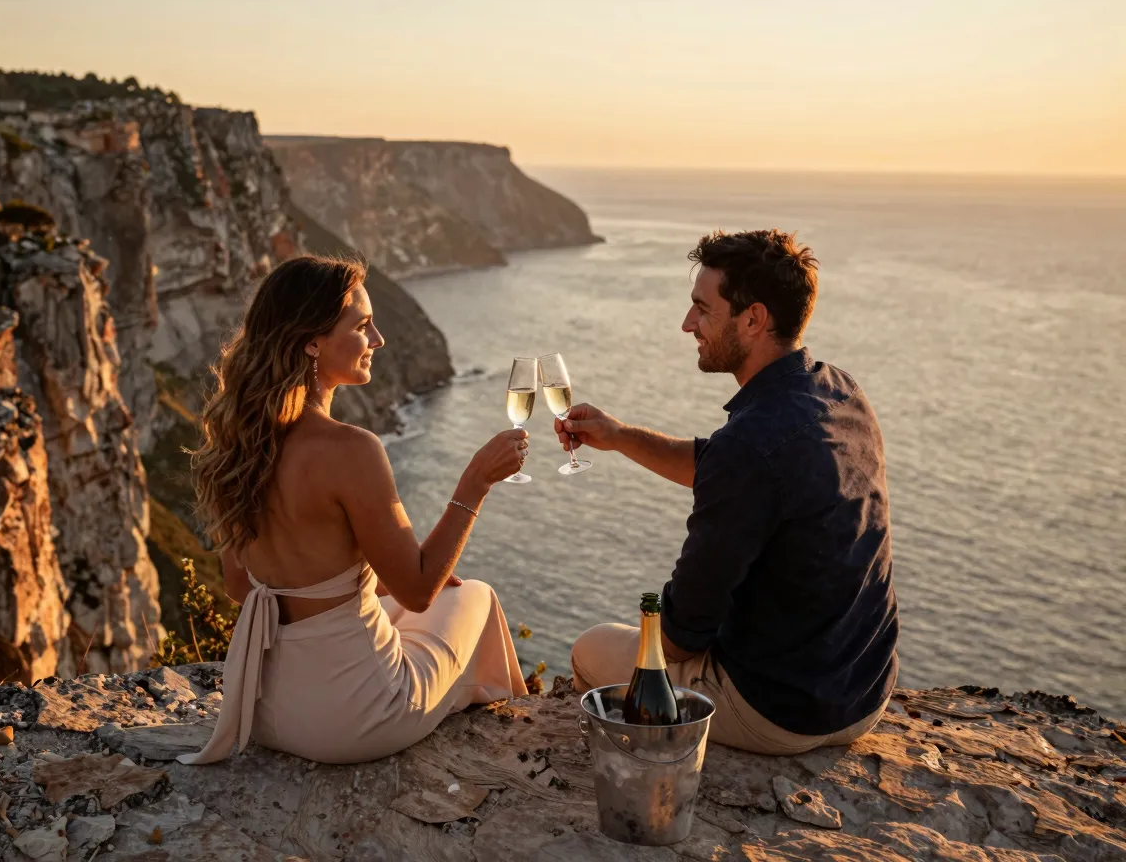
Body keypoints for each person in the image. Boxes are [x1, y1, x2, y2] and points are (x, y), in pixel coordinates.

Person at [178, 255, 528, 766]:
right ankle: (509, 735)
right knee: (473, 593)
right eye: (363, 325)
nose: (379, 340)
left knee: (395, 606)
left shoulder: (242, 443)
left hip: (265, 708)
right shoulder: (351, 449)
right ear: (313, 341)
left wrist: (364, 583)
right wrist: (475, 482)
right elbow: (419, 588)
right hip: (354, 718)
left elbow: (239, 586)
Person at [562, 229, 898, 756]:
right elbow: (727, 466)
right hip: (863, 691)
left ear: (753, 319)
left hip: (778, 712)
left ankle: (643, 776)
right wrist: (620, 436)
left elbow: (680, 637)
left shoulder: (748, 447)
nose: (687, 324)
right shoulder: (839, 391)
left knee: (592, 648)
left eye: (702, 308)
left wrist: (672, 628)